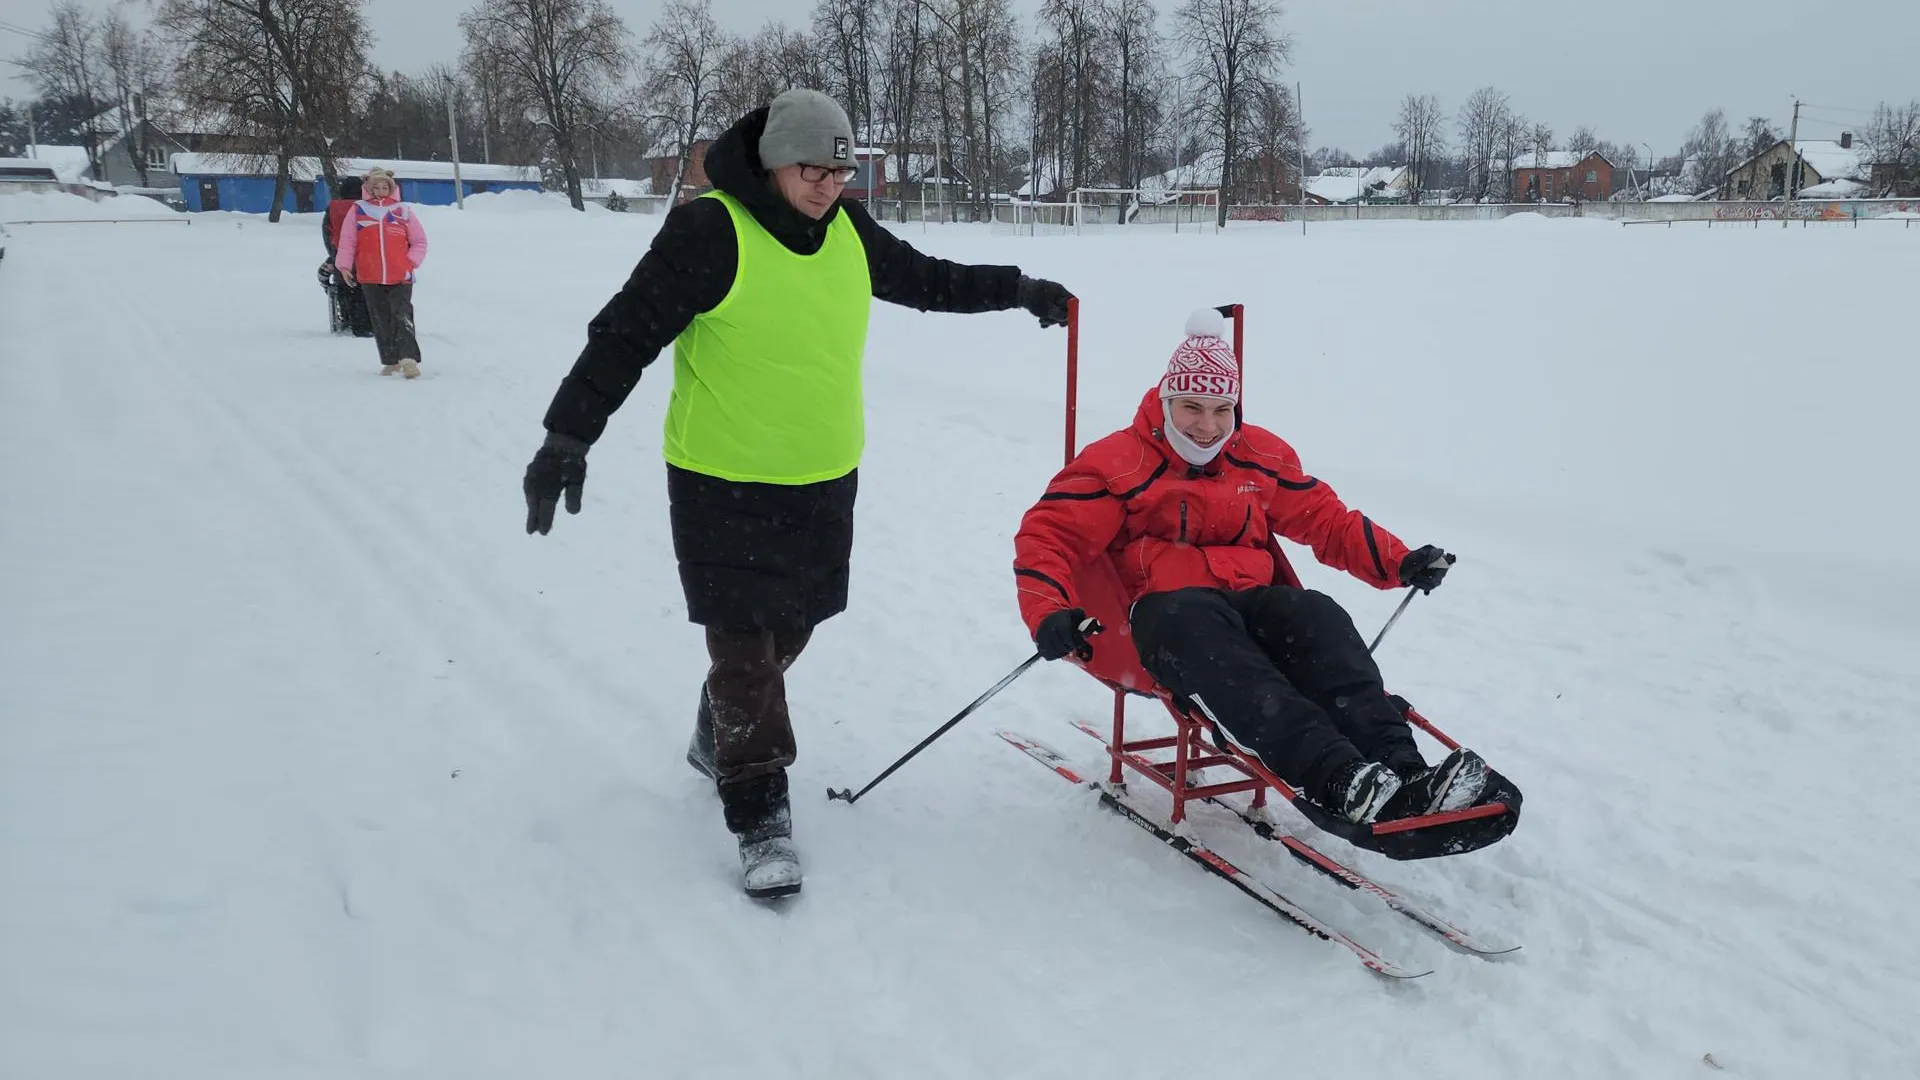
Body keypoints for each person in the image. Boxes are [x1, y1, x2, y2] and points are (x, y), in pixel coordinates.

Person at [521, 88, 1075, 899]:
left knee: (789, 633)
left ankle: (723, 725)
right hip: (721, 479)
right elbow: (626, 332)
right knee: (744, 648)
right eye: (812, 168)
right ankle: (758, 812)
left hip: (823, 476)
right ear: (775, 161)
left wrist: (1019, 288)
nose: (827, 184)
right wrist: (568, 436)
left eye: (840, 170)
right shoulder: (709, 231)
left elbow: (928, 280)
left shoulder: (847, 231)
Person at [1013, 309, 1485, 826]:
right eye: (1191, 407)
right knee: (1212, 643)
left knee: (1315, 616)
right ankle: (1338, 777)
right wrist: (1049, 612)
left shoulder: (1258, 455)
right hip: (1157, 622)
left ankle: (1407, 772)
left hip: (1247, 606)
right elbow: (1049, 535)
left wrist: (1401, 560)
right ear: (1165, 401)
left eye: (1222, 410)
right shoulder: (1116, 463)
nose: (1207, 425)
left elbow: (1326, 521)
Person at [335, 166, 428, 378]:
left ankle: (409, 359)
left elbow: (419, 241)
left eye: (385, 186)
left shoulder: (402, 210)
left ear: (391, 187)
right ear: (368, 188)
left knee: (402, 315)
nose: (381, 190)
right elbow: (348, 241)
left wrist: (410, 262)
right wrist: (344, 266)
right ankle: (391, 360)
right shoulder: (358, 210)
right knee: (380, 318)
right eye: (375, 187)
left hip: (400, 275)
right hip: (370, 274)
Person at [320, 175, 374, 338]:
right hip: (367, 255)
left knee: (347, 289)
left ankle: (350, 321)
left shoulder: (333, 207)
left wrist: (334, 255)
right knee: (367, 290)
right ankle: (369, 323)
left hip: (342, 255)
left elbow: (327, 233)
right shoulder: (367, 206)